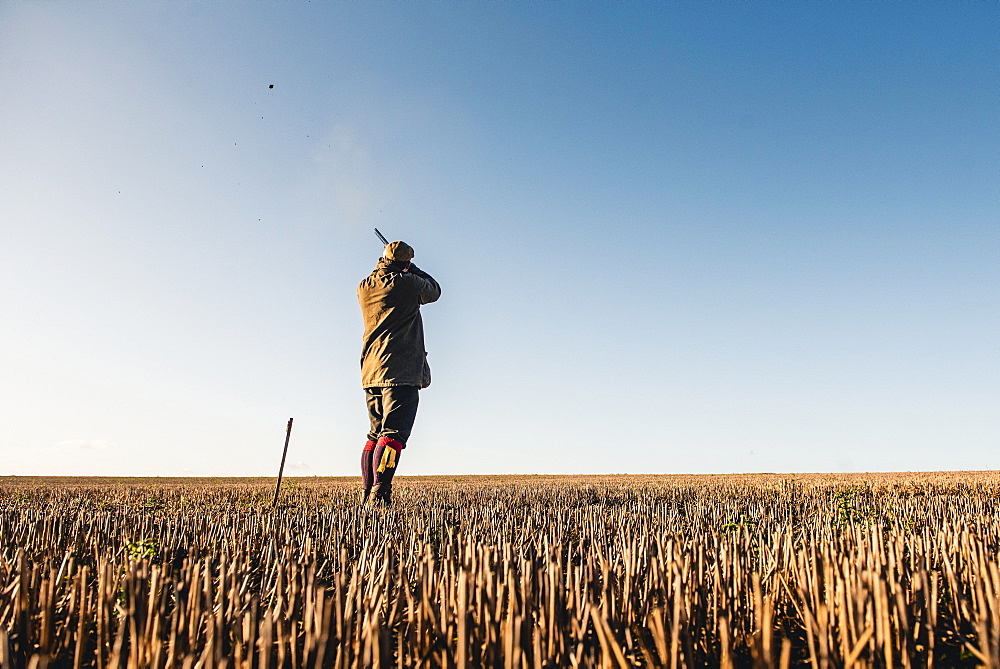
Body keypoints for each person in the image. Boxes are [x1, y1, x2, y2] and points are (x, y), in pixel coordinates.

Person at [357, 240, 441, 506]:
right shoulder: (406, 283)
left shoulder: (364, 286)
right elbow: (434, 290)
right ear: (405, 263)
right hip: (399, 370)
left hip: (371, 371)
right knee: (393, 434)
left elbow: (380, 273)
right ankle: (380, 493)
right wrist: (412, 269)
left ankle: (367, 492)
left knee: (375, 434)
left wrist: (392, 265)